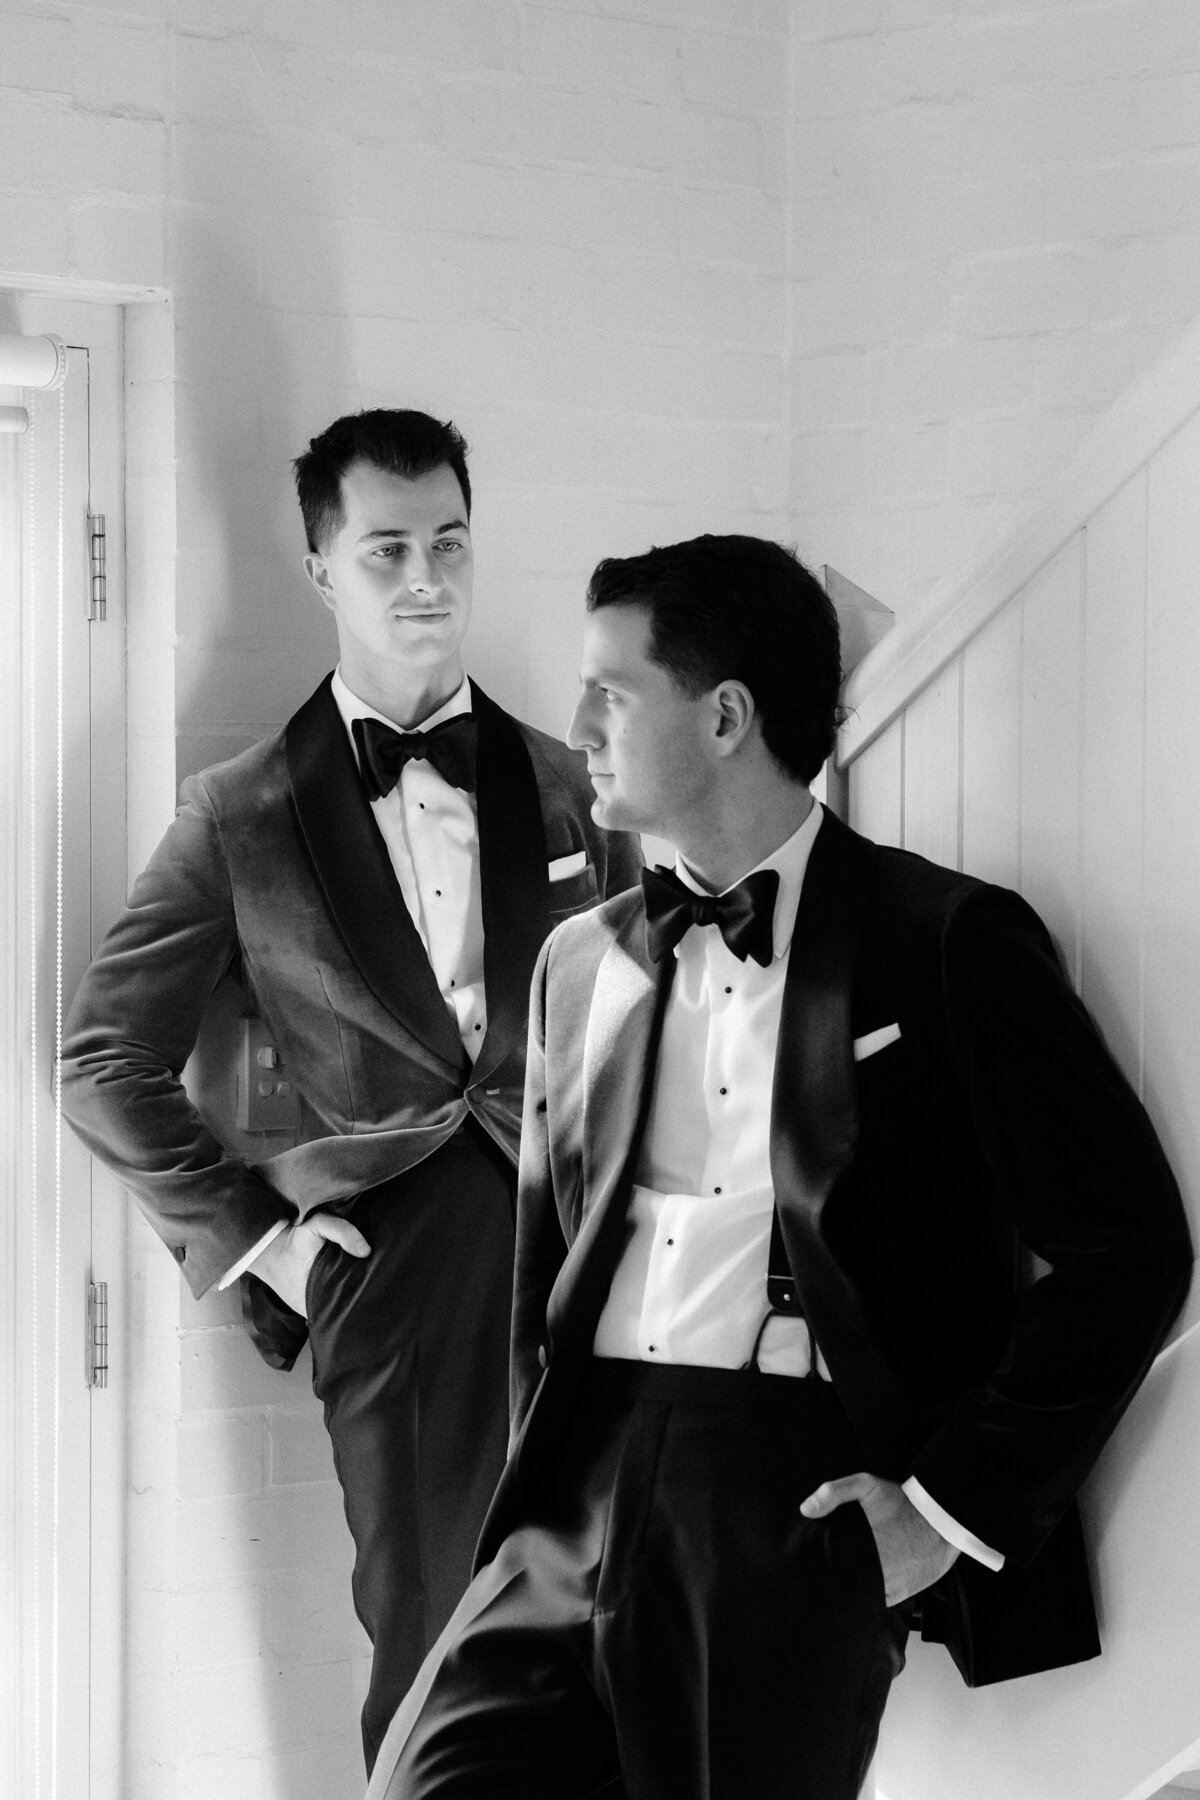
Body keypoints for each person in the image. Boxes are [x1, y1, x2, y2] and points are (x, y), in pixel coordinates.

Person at [365, 532, 1192, 1800]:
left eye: (613, 690)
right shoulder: (575, 964)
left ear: (727, 716)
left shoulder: (947, 941)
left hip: (788, 1494)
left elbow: (1128, 1251)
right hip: (578, 1477)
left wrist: (942, 1509)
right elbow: (549, 1263)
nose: (576, 720)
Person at [59, 408, 642, 1773]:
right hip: (397, 1274)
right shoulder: (242, 811)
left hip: (592, 1253)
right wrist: (264, 1246)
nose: (426, 576)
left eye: (449, 541)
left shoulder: (572, 784)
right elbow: (103, 1061)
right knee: (435, 1632)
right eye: (388, 548)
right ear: (322, 568)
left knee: (613, 1614)